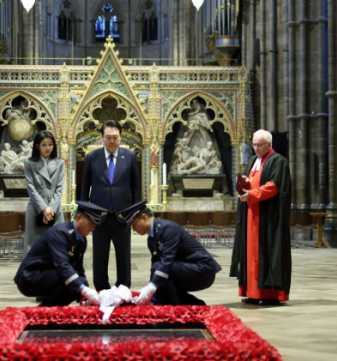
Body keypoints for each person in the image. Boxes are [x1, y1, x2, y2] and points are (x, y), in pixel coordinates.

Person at [230, 129, 292, 306]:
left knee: (266, 251)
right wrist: (243, 183)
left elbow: (274, 186)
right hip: (251, 214)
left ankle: (269, 293)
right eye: (254, 145)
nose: (256, 148)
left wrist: (253, 194)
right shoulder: (252, 161)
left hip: (268, 217)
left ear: (269, 144)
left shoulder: (278, 161)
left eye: (260, 145)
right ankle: (252, 292)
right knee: (250, 253)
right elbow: (250, 180)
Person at [120, 201, 222, 306]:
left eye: (134, 224)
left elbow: (166, 261)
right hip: (186, 269)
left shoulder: (168, 229)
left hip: (202, 270)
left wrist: (151, 287)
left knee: (160, 271)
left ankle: (170, 312)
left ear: (144, 217)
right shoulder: (152, 239)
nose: (134, 229)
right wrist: (150, 294)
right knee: (161, 279)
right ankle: (194, 306)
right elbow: (156, 271)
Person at [81, 120, 141, 291]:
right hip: (99, 216)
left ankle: (123, 289)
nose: (112, 141)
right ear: (102, 138)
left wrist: (136, 214)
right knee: (99, 256)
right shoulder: (92, 157)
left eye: (115, 137)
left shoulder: (129, 156)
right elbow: (85, 187)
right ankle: (102, 290)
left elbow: (135, 187)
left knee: (123, 256)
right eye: (108, 137)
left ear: (121, 137)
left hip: (123, 215)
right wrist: (83, 214)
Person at [14, 201, 108, 307]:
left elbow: (79, 269)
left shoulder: (81, 239)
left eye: (95, 224)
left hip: (48, 275)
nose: (93, 227)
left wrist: (84, 297)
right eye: (91, 223)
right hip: (29, 277)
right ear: (78, 218)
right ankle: (45, 313)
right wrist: (83, 290)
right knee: (71, 281)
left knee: (79, 281)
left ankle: (45, 311)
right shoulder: (60, 234)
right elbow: (63, 266)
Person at [23, 131, 65, 256]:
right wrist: (44, 208)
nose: (48, 148)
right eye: (44, 145)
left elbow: (59, 189)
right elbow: (31, 188)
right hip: (36, 209)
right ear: (37, 146)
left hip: (55, 211)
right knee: (33, 248)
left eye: (50, 145)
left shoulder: (60, 163)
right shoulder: (29, 163)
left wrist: (50, 209)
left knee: (57, 248)